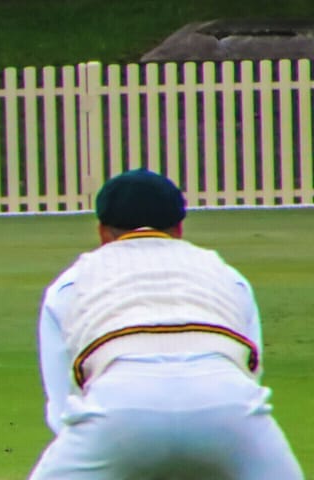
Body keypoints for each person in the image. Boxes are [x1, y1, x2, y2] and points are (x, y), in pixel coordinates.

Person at [30, 169, 302, 479]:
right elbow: (248, 371)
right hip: (228, 406)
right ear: (179, 228)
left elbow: (64, 408)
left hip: (118, 412)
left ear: (102, 232)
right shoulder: (226, 275)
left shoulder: (70, 284)